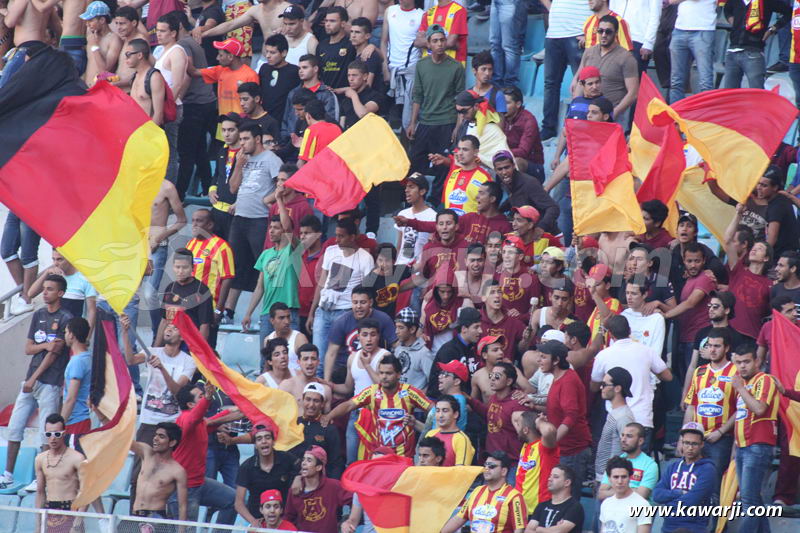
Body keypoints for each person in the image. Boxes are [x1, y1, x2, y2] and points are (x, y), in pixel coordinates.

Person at [0, 275, 71, 491]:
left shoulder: (66, 317)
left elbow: (55, 353)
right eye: (45, 288)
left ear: (60, 293)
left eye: (50, 289)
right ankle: (8, 475)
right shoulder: (39, 314)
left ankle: (41, 478)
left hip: (49, 381)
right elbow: (28, 348)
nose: (45, 292)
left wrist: (33, 378)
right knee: (14, 427)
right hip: (31, 380)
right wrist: (44, 346)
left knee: (45, 432)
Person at [121, 313, 196, 509]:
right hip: (148, 421)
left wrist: (161, 368)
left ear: (183, 336)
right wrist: (125, 331)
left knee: (167, 475)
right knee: (139, 474)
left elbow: (177, 391)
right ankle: (133, 518)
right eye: (168, 326)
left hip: (171, 423)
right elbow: (130, 359)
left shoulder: (188, 362)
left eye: (175, 328)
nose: (169, 329)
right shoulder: (153, 351)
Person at [322, 354, 432, 458]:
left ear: (399, 374)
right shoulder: (372, 392)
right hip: (379, 456)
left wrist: (424, 425)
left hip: (403, 456)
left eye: (389, 373)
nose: (384, 377)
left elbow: (432, 408)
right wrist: (329, 416)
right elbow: (349, 405)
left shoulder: (409, 392)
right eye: (381, 373)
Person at [225, 121, 283, 312]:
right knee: (236, 265)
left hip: (260, 219)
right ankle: (228, 310)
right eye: (240, 139)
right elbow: (233, 188)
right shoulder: (242, 159)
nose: (241, 143)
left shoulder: (271, 159)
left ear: (257, 139)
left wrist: (269, 198)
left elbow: (284, 185)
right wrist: (238, 166)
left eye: (245, 139)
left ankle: (270, 308)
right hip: (240, 218)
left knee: (264, 264)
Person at [591, 315, 672, 449]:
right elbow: (668, 376)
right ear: (629, 330)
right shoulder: (646, 351)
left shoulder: (603, 356)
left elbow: (594, 386)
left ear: (610, 334)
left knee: (615, 468)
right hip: (642, 420)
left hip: (616, 421)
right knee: (639, 468)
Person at [407, 24, 465, 200]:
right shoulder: (421, 66)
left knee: (442, 166)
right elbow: (417, 96)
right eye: (435, 41)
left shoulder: (456, 67)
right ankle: (413, 202)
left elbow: (460, 100)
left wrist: (458, 126)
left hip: (446, 122)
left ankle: (435, 202)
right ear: (429, 45)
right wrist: (412, 122)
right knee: (415, 162)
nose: (439, 44)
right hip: (425, 122)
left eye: (442, 40)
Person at [308, 218, 375, 363]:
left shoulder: (366, 258)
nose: (336, 240)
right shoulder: (331, 251)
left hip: (346, 313)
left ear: (352, 237)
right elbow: (321, 284)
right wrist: (312, 312)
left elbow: (367, 291)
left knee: (341, 359)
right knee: (317, 357)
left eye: (341, 236)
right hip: (323, 310)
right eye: (336, 235)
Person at [170, 382, 237, 525]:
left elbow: (226, 415)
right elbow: (195, 417)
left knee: (234, 500)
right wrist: (208, 396)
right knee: (187, 529)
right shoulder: (184, 419)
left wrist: (247, 407)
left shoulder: (200, 422)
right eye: (200, 396)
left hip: (200, 483)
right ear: (190, 404)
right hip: (184, 488)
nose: (204, 399)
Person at [731, 343, 780, 533]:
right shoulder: (745, 383)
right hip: (743, 446)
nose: (742, 366)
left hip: (758, 446)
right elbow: (740, 417)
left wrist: (741, 389)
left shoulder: (764, 379)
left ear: (757, 361)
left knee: (749, 502)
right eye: (738, 362)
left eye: (746, 362)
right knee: (754, 501)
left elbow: (759, 409)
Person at [242, 214, 301, 345]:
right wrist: (248, 313)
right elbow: (260, 287)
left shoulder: (293, 251)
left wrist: (279, 199)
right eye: (270, 227)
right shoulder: (265, 254)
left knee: (291, 353)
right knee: (266, 359)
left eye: (276, 228)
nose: (271, 231)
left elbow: (288, 228)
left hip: (288, 311)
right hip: (267, 313)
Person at [664, 242, 718, 386]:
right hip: (683, 336)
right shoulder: (688, 278)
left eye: (697, 261)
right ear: (684, 261)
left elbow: (691, 302)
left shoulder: (706, 279)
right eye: (689, 261)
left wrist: (664, 315)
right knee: (683, 378)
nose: (693, 265)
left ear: (704, 261)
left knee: (696, 380)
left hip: (698, 338)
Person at [540, 0, 593, 140]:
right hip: (554, 33)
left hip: (578, 32)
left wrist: (591, 32)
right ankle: (548, 127)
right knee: (550, 83)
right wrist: (552, 9)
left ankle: (582, 126)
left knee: (583, 83)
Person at [440, 451, 528, 533]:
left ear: (503, 471)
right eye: (485, 465)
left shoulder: (514, 496)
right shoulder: (477, 491)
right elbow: (458, 519)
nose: (486, 468)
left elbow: (519, 529)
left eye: (491, 466)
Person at [653, 422, 717, 532]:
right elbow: (657, 495)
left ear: (702, 444)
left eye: (694, 444)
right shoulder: (672, 466)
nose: (690, 448)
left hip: (694, 528)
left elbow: (691, 501)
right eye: (686, 443)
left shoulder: (708, 469)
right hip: (668, 528)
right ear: (681, 443)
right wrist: (679, 493)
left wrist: (667, 505)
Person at [324, 286, 398, 381]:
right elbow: (331, 353)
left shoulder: (383, 319)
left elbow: (396, 345)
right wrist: (327, 382)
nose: (358, 306)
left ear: (370, 302)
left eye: (363, 302)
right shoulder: (341, 322)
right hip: (346, 367)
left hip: (377, 366)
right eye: (355, 302)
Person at [468, 361, 530, 473]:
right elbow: (489, 414)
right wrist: (469, 399)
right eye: (491, 375)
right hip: (493, 461)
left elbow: (526, 435)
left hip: (512, 464)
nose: (492, 379)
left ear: (509, 381)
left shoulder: (518, 403)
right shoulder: (493, 398)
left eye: (497, 376)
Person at [575, 15, 639, 121]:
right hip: (587, 113)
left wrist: (615, 112)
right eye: (600, 31)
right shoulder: (589, 52)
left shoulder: (627, 58)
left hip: (611, 115)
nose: (604, 35)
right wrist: (577, 106)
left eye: (608, 32)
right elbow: (580, 82)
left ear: (616, 33)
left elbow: (633, 93)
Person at [235, 422, 299, 525]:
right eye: (259, 439)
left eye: (267, 437)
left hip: (285, 520)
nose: (264, 441)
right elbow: (239, 503)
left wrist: (298, 478)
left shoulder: (286, 458)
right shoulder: (246, 467)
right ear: (255, 445)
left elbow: (303, 467)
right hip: (259, 521)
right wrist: (253, 521)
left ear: (273, 442)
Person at [724, 211, 772, 339]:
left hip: (752, 337)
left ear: (766, 258)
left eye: (760, 248)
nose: (754, 250)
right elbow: (728, 240)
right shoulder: (738, 270)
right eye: (754, 248)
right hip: (729, 332)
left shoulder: (770, 284)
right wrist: (738, 214)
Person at [185, 208, 235, 332]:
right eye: (193, 221)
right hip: (188, 305)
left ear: (210, 225)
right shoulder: (190, 244)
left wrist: (219, 310)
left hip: (208, 307)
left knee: (205, 348)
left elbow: (227, 279)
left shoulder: (221, 246)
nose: (194, 224)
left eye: (199, 221)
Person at [129, 422, 188, 526]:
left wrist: (181, 531)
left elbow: (182, 506)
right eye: (155, 435)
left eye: (161, 436)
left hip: (155, 520)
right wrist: (103, 416)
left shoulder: (178, 471)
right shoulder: (146, 453)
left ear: (172, 442)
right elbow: (124, 440)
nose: (155, 438)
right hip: (134, 516)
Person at [34, 414, 84, 532]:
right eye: (48, 434)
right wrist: (38, 524)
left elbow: (85, 493)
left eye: (57, 434)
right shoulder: (40, 459)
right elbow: (40, 493)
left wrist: (78, 522)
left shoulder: (77, 458)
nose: (52, 438)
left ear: (64, 433)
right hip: (50, 511)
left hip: (71, 510)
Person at [380, 0, 424, 132]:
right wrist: (384, 67)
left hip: (410, 71)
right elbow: (383, 41)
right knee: (388, 115)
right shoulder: (390, 11)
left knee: (408, 118)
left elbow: (422, 45)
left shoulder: (421, 15)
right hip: (391, 69)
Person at [190, 37, 259, 121]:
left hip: (242, 125)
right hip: (223, 123)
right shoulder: (220, 70)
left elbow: (256, 104)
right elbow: (194, 72)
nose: (217, 58)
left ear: (230, 56)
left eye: (221, 55)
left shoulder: (251, 75)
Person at [154, 249, 214, 344]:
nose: (180, 271)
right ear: (173, 267)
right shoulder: (170, 288)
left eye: (185, 267)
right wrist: (156, 349)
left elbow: (204, 326)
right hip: (171, 344)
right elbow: (164, 321)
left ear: (192, 268)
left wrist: (198, 353)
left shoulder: (202, 290)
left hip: (190, 345)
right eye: (177, 267)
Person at [195, 0, 290, 59]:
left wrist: (288, 30)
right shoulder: (255, 10)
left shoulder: (287, 8)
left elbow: (304, 30)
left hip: (286, 56)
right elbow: (230, 25)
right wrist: (204, 34)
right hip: (265, 57)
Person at [281, 54, 340, 145]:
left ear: (315, 69)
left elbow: (332, 123)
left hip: (316, 144)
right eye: (299, 68)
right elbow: (286, 119)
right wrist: (285, 140)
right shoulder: (292, 93)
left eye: (305, 67)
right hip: (290, 144)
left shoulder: (327, 94)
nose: (300, 71)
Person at [28, 250, 97, 327]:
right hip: (53, 330)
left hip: (74, 332)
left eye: (59, 259)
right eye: (53, 259)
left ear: (70, 258)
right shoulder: (53, 276)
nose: (55, 263)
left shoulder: (84, 279)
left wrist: (87, 337)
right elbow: (31, 294)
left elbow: (91, 311)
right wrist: (46, 273)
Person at [290, 382, 344, 478]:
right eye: (308, 399)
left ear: (322, 404)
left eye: (316, 401)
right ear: (302, 401)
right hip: (294, 481)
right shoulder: (292, 424)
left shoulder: (329, 429)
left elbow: (336, 464)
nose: (311, 405)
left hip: (320, 483)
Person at [427, 306, 483, 398]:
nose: (480, 331)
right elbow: (440, 387)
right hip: (444, 403)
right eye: (476, 327)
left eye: (480, 326)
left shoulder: (474, 348)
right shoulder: (449, 351)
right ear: (464, 328)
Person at [429, 135, 492, 215]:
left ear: (476, 152)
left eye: (465, 149)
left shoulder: (484, 177)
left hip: (470, 226)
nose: (460, 153)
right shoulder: (454, 173)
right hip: (450, 226)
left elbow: (488, 210)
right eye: (459, 149)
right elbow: (445, 203)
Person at [668, 0, 716, 102]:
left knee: (705, 81)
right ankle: (675, 115)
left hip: (703, 29)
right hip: (679, 29)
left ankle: (704, 116)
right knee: (675, 81)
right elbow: (671, 1)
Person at [597, 422, 658, 501]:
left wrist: (615, 490)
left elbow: (642, 495)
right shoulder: (614, 462)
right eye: (622, 435)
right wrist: (633, 490)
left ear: (640, 441)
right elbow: (601, 494)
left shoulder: (650, 465)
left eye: (629, 436)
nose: (623, 440)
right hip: (614, 508)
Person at [595, 367, 635, 485]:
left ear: (617, 388)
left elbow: (627, 450)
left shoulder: (623, 418)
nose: (601, 388)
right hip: (604, 478)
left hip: (610, 482)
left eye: (604, 384)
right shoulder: (616, 413)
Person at [513, 411, 559, 513]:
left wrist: (539, 422)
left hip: (538, 510)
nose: (516, 426)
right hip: (520, 509)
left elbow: (549, 430)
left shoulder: (544, 447)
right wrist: (535, 414)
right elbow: (514, 415)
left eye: (519, 425)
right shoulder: (526, 444)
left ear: (525, 430)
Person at [451, 90, 512, 164]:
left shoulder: (492, 130)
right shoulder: (464, 126)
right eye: (458, 112)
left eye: (464, 111)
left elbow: (503, 161)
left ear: (476, 106)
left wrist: (479, 159)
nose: (461, 115)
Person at [60, 318, 93, 448]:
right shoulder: (87, 357)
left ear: (72, 335)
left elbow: (71, 398)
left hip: (76, 422)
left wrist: (60, 426)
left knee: (74, 465)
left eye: (66, 331)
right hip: (81, 420)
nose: (65, 335)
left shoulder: (77, 361)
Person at [598, 456, 652, 533]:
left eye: (624, 477)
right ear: (609, 478)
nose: (620, 481)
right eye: (616, 477)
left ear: (630, 478)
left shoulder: (643, 504)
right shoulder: (606, 503)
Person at [524, 465, 584, 533]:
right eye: (550, 476)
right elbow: (528, 531)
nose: (549, 479)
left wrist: (538, 529)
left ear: (567, 482)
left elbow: (558, 531)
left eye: (555, 477)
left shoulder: (575, 507)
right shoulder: (541, 506)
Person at [501, 90, 545, 179]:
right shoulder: (501, 118)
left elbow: (523, 152)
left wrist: (500, 152)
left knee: (517, 162)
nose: (503, 107)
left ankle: (514, 193)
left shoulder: (529, 121)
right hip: (505, 160)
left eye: (507, 103)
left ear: (518, 104)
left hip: (533, 168)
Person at [395, 174, 436, 267]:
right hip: (400, 266)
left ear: (422, 191)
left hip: (418, 269)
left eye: (411, 187)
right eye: (406, 187)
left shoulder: (433, 216)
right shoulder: (402, 213)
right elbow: (399, 244)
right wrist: (396, 264)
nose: (406, 190)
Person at [259, 33, 301, 124]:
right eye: (267, 51)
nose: (268, 56)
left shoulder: (294, 72)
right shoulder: (264, 68)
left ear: (284, 53)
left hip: (284, 122)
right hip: (264, 120)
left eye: (272, 52)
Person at [481, 281, 528, 362]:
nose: (497, 295)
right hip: (481, 370)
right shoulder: (476, 321)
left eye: (499, 292)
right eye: (492, 292)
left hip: (507, 370)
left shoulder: (514, 322)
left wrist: (526, 340)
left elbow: (524, 350)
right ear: (483, 297)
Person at [757, 169, 800, 256]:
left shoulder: (777, 206)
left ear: (775, 187)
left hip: (780, 258)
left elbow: (772, 239)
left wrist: (761, 257)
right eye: (758, 183)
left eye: (764, 185)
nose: (759, 188)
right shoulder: (778, 200)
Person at [335, 59, 387, 130]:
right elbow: (342, 126)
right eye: (349, 75)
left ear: (365, 76)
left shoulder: (376, 96)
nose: (351, 79)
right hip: (350, 139)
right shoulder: (346, 100)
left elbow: (363, 114)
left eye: (354, 75)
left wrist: (353, 95)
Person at [125, 39, 167, 125]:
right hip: (135, 131)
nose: (126, 58)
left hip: (148, 133)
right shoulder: (135, 76)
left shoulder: (154, 77)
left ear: (140, 55)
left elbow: (158, 115)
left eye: (128, 54)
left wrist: (148, 136)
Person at [279, 344, 334, 411]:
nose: (310, 363)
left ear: (318, 362)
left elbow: (326, 419)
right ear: (298, 362)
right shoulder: (287, 386)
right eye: (305, 359)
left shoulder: (325, 390)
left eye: (313, 359)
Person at [423, 395, 475, 466]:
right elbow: (421, 463)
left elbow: (461, 472)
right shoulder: (430, 434)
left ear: (455, 414)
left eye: (445, 411)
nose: (440, 415)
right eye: (437, 411)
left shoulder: (462, 439)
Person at [80, 1, 122, 86]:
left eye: (91, 20)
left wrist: (95, 47)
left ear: (102, 20)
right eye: (87, 21)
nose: (88, 24)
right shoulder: (91, 36)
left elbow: (104, 71)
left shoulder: (114, 40)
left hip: (102, 90)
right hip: (87, 88)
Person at [415, 0, 468, 65]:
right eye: (434, 41)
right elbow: (417, 42)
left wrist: (428, 42)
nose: (439, 43)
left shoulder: (458, 10)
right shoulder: (429, 12)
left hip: (452, 65)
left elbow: (451, 42)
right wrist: (445, 43)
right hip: (429, 65)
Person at [393, 307, 435, 390]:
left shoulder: (424, 353)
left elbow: (433, 382)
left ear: (412, 329)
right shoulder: (398, 349)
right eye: (396, 327)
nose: (396, 331)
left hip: (414, 401)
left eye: (401, 327)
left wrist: (420, 397)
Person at [621, 280, 666, 354]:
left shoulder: (656, 319)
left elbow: (656, 352)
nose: (629, 297)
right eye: (627, 293)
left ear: (645, 294)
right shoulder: (623, 316)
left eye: (634, 294)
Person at [265, 302, 310, 372]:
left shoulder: (299, 339)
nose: (287, 321)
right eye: (281, 318)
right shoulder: (268, 339)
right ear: (272, 320)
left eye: (288, 317)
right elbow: (267, 368)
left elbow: (308, 367)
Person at [297, 98, 342, 166]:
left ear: (308, 115)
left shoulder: (310, 130)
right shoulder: (336, 128)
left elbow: (301, 162)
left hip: (318, 172)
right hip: (336, 169)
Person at [350, 17, 385, 89]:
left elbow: (367, 86)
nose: (353, 35)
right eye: (351, 31)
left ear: (368, 36)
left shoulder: (370, 56)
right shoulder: (352, 51)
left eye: (357, 32)